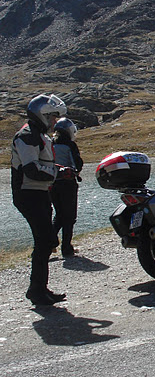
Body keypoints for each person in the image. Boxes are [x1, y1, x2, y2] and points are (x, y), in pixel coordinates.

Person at [11, 94, 68, 305]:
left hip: (39, 192)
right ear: (42, 115)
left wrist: (59, 170)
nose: (54, 122)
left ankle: (39, 289)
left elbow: (42, 165)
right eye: (52, 117)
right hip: (28, 194)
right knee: (45, 240)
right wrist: (58, 173)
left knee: (46, 240)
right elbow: (32, 169)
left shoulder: (39, 135)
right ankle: (36, 290)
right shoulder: (27, 136)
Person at [51, 118, 83, 258]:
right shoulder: (70, 145)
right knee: (70, 217)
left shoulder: (50, 143)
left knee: (59, 214)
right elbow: (78, 164)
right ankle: (66, 248)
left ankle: (49, 243)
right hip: (67, 183)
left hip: (52, 183)